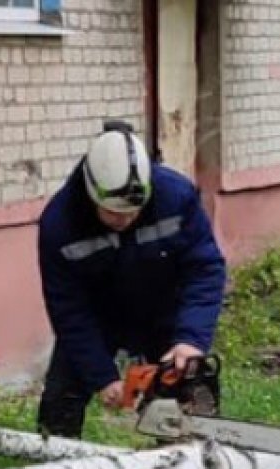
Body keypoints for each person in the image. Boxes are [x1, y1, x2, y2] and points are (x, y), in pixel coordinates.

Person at [35, 119, 227, 439]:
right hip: (99, 314)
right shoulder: (59, 226)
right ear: (92, 193)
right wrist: (102, 376)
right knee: (60, 402)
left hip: (165, 306)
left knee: (190, 383)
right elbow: (69, 309)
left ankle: (193, 459)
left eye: (133, 211)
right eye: (113, 212)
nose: (124, 219)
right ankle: (55, 467)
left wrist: (190, 339)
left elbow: (205, 269)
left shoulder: (176, 198)